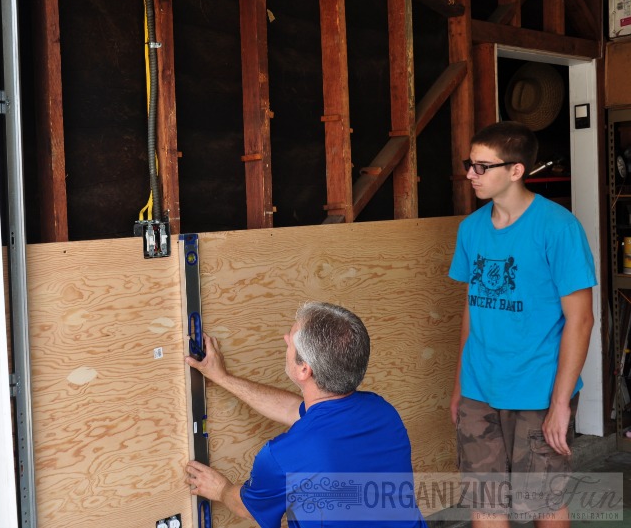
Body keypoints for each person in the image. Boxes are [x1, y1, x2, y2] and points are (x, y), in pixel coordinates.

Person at [449, 121, 596, 527]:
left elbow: (581, 320)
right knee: (486, 502)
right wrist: (461, 385)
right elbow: (472, 309)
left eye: (482, 167)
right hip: (480, 388)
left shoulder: (558, 227)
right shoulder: (471, 228)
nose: (470, 175)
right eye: (469, 164)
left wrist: (561, 404)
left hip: (538, 391)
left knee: (542, 505)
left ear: (516, 170)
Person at [184, 301, 427, 528]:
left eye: (291, 340)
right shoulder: (383, 413)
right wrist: (223, 378)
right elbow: (295, 411)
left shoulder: (282, 456)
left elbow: (248, 507)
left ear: (304, 369)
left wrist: (221, 489)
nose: (285, 338)